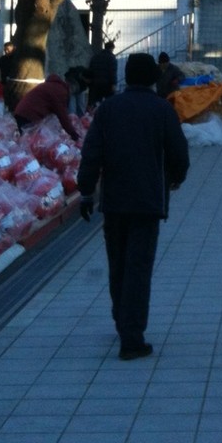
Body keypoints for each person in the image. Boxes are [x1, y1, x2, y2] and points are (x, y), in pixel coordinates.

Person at [77, 52, 190, 361]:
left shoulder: (108, 109)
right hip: (147, 202)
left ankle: (121, 322)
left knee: (118, 265)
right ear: (154, 77)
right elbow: (179, 151)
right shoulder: (162, 109)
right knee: (138, 269)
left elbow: (91, 154)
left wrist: (86, 192)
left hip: (114, 202)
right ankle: (132, 336)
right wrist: (176, 178)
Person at [13, 73, 81, 140]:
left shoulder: (52, 85)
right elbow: (62, 115)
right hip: (30, 114)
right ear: (71, 89)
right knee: (30, 139)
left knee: (24, 138)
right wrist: (73, 134)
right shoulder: (61, 92)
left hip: (21, 111)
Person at [87, 40, 118, 106]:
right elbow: (113, 71)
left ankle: (96, 114)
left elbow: (90, 69)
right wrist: (114, 83)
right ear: (112, 48)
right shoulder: (112, 57)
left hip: (95, 83)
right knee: (110, 102)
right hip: (107, 84)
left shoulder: (95, 57)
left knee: (96, 102)